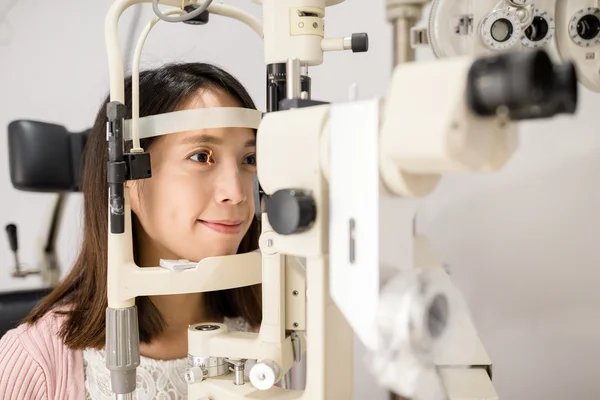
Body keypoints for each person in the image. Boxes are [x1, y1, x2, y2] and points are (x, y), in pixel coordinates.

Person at [0, 62, 265, 399]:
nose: (238, 193)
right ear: (124, 179)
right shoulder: (35, 361)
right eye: (201, 156)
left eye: (249, 159)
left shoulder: (272, 330)